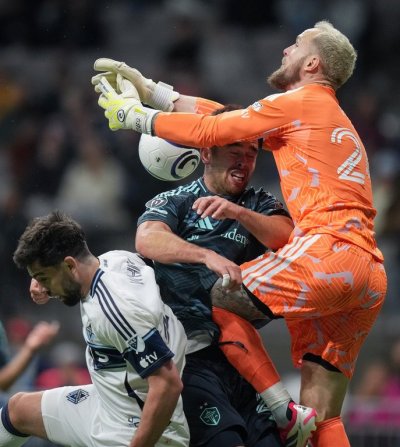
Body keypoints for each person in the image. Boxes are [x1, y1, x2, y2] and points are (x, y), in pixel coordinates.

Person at [93, 19, 387, 447]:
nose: (285, 49)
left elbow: (215, 131)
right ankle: (296, 416)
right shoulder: (326, 116)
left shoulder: (301, 101)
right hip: (369, 274)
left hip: (328, 251)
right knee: (324, 417)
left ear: (312, 62)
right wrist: (158, 93)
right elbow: (235, 122)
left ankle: (279, 409)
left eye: (295, 45)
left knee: (219, 292)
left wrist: (138, 117)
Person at [136, 104, 300, 447]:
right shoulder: (177, 200)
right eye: (234, 151)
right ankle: (282, 405)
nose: (244, 161)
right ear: (207, 152)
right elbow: (147, 238)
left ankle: (282, 406)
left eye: (252, 153)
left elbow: (285, 236)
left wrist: (237, 212)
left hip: (242, 357)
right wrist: (205, 255)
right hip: (190, 355)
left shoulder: (258, 202)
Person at [0, 211, 189, 447]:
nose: (43, 287)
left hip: (135, 429)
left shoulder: (114, 311)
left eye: (44, 278)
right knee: (18, 410)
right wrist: (46, 281)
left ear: (69, 264)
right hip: (107, 403)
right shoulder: (117, 259)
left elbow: (168, 384)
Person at [0, 320, 59, 396]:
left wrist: (29, 349)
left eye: (20, 337)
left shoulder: (40, 361)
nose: (16, 339)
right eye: (14, 335)